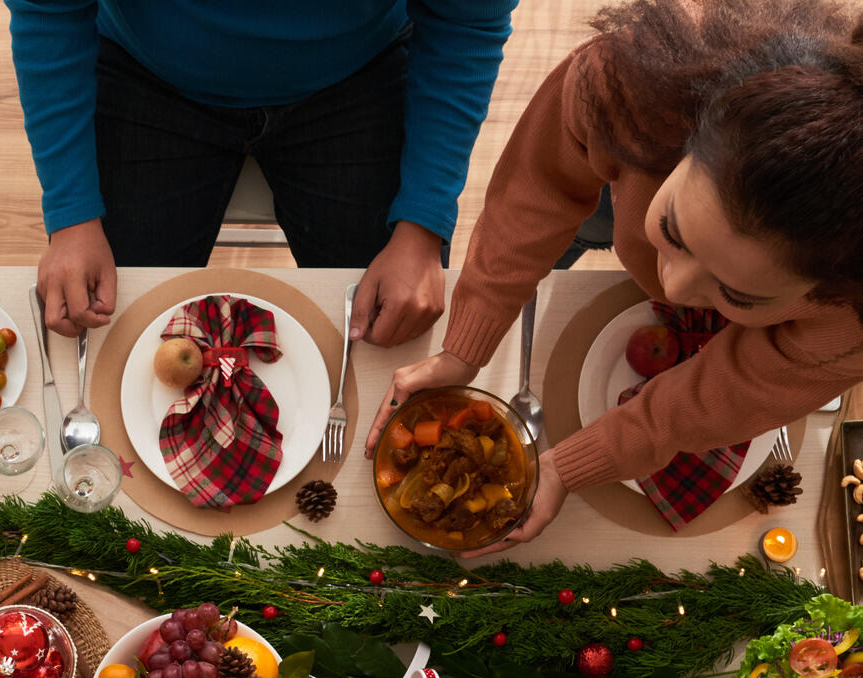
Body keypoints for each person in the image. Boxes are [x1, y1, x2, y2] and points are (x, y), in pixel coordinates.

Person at [370, 0, 863, 550]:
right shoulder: (626, 86)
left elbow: (731, 393)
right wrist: (465, 344)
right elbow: (534, 199)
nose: (671, 290)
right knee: (578, 229)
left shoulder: (851, 321)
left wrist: (566, 467)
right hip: (636, 146)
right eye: (674, 231)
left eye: (735, 294)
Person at [7, 0, 516, 344]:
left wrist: (422, 226)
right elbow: (46, 10)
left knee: (390, 329)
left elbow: (467, 20)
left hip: (358, 70)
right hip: (145, 68)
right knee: (111, 332)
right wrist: (72, 216)